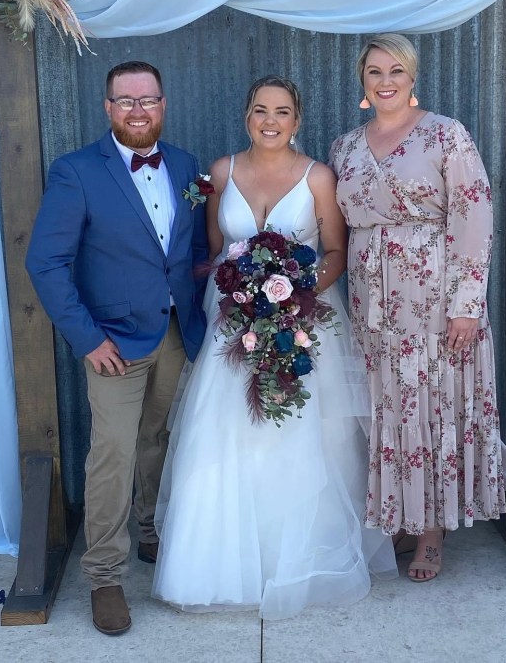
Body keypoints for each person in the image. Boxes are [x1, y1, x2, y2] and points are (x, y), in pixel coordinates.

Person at [152, 75, 396, 619]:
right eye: (261, 110)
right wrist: (244, 292)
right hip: (232, 323)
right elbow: (216, 251)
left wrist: (295, 291)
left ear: (296, 120)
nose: (270, 121)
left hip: (302, 320)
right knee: (226, 432)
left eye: (282, 111)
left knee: (302, 434)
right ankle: (220, 565)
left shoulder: (318, 177)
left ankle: (299, 559)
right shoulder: (221, 172)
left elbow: (336, 250)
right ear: (247, 116)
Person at [330, 34, 506, 582]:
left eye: (396, 70)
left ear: (412, 77)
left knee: (432, 408)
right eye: (375, 71)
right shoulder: (344, 147)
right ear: (362, 80)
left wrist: (467, 304)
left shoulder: (446, 135)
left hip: (436, 303)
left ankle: (433, 532)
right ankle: (402, 515)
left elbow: (475, 219)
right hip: (373, 306)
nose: (386, 80)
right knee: (387, 410)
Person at [25, 61, 208, 634]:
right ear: (108, 108)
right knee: (113, 453)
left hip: (176, 332)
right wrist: (88, 338)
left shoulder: (185, 165)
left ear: (163, 105)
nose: (137, 110)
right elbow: (45, 262)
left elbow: (191, 251)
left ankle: (150, 529)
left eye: (147, 100)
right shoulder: (76, 171)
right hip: (113, 343)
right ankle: (105, 575)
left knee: (158, 437)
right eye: (125, 101)